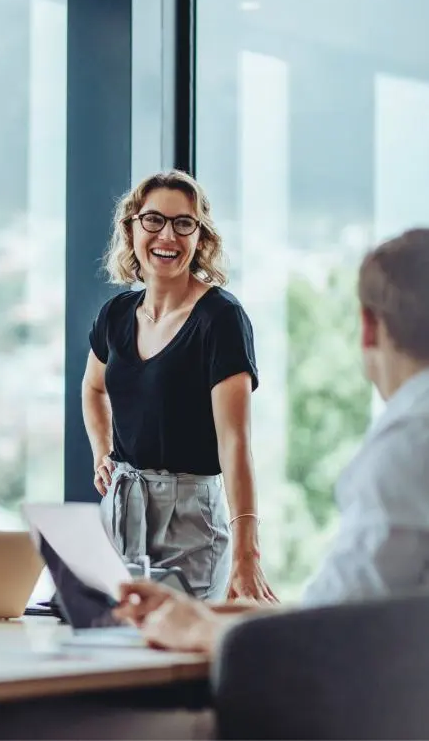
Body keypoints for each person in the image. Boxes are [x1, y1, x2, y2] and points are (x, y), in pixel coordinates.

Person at [115, 227, 429, 655]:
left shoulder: (408, 445)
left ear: (368, 328)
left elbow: (328, 634)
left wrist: (198, 631)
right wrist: (205, 613)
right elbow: (344, 608)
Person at [83, 169, 274, 602]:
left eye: (183, 223)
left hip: (190, 518)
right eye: (153, 220)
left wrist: (248, 553)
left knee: (180, 658)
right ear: (131, 228)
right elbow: (93, 389)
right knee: (112, 649)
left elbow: (235, 443)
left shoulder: (221, 319)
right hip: (119, 509)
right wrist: (101, 453)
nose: (166, 235)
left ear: (200, 237)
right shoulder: (115, 315)